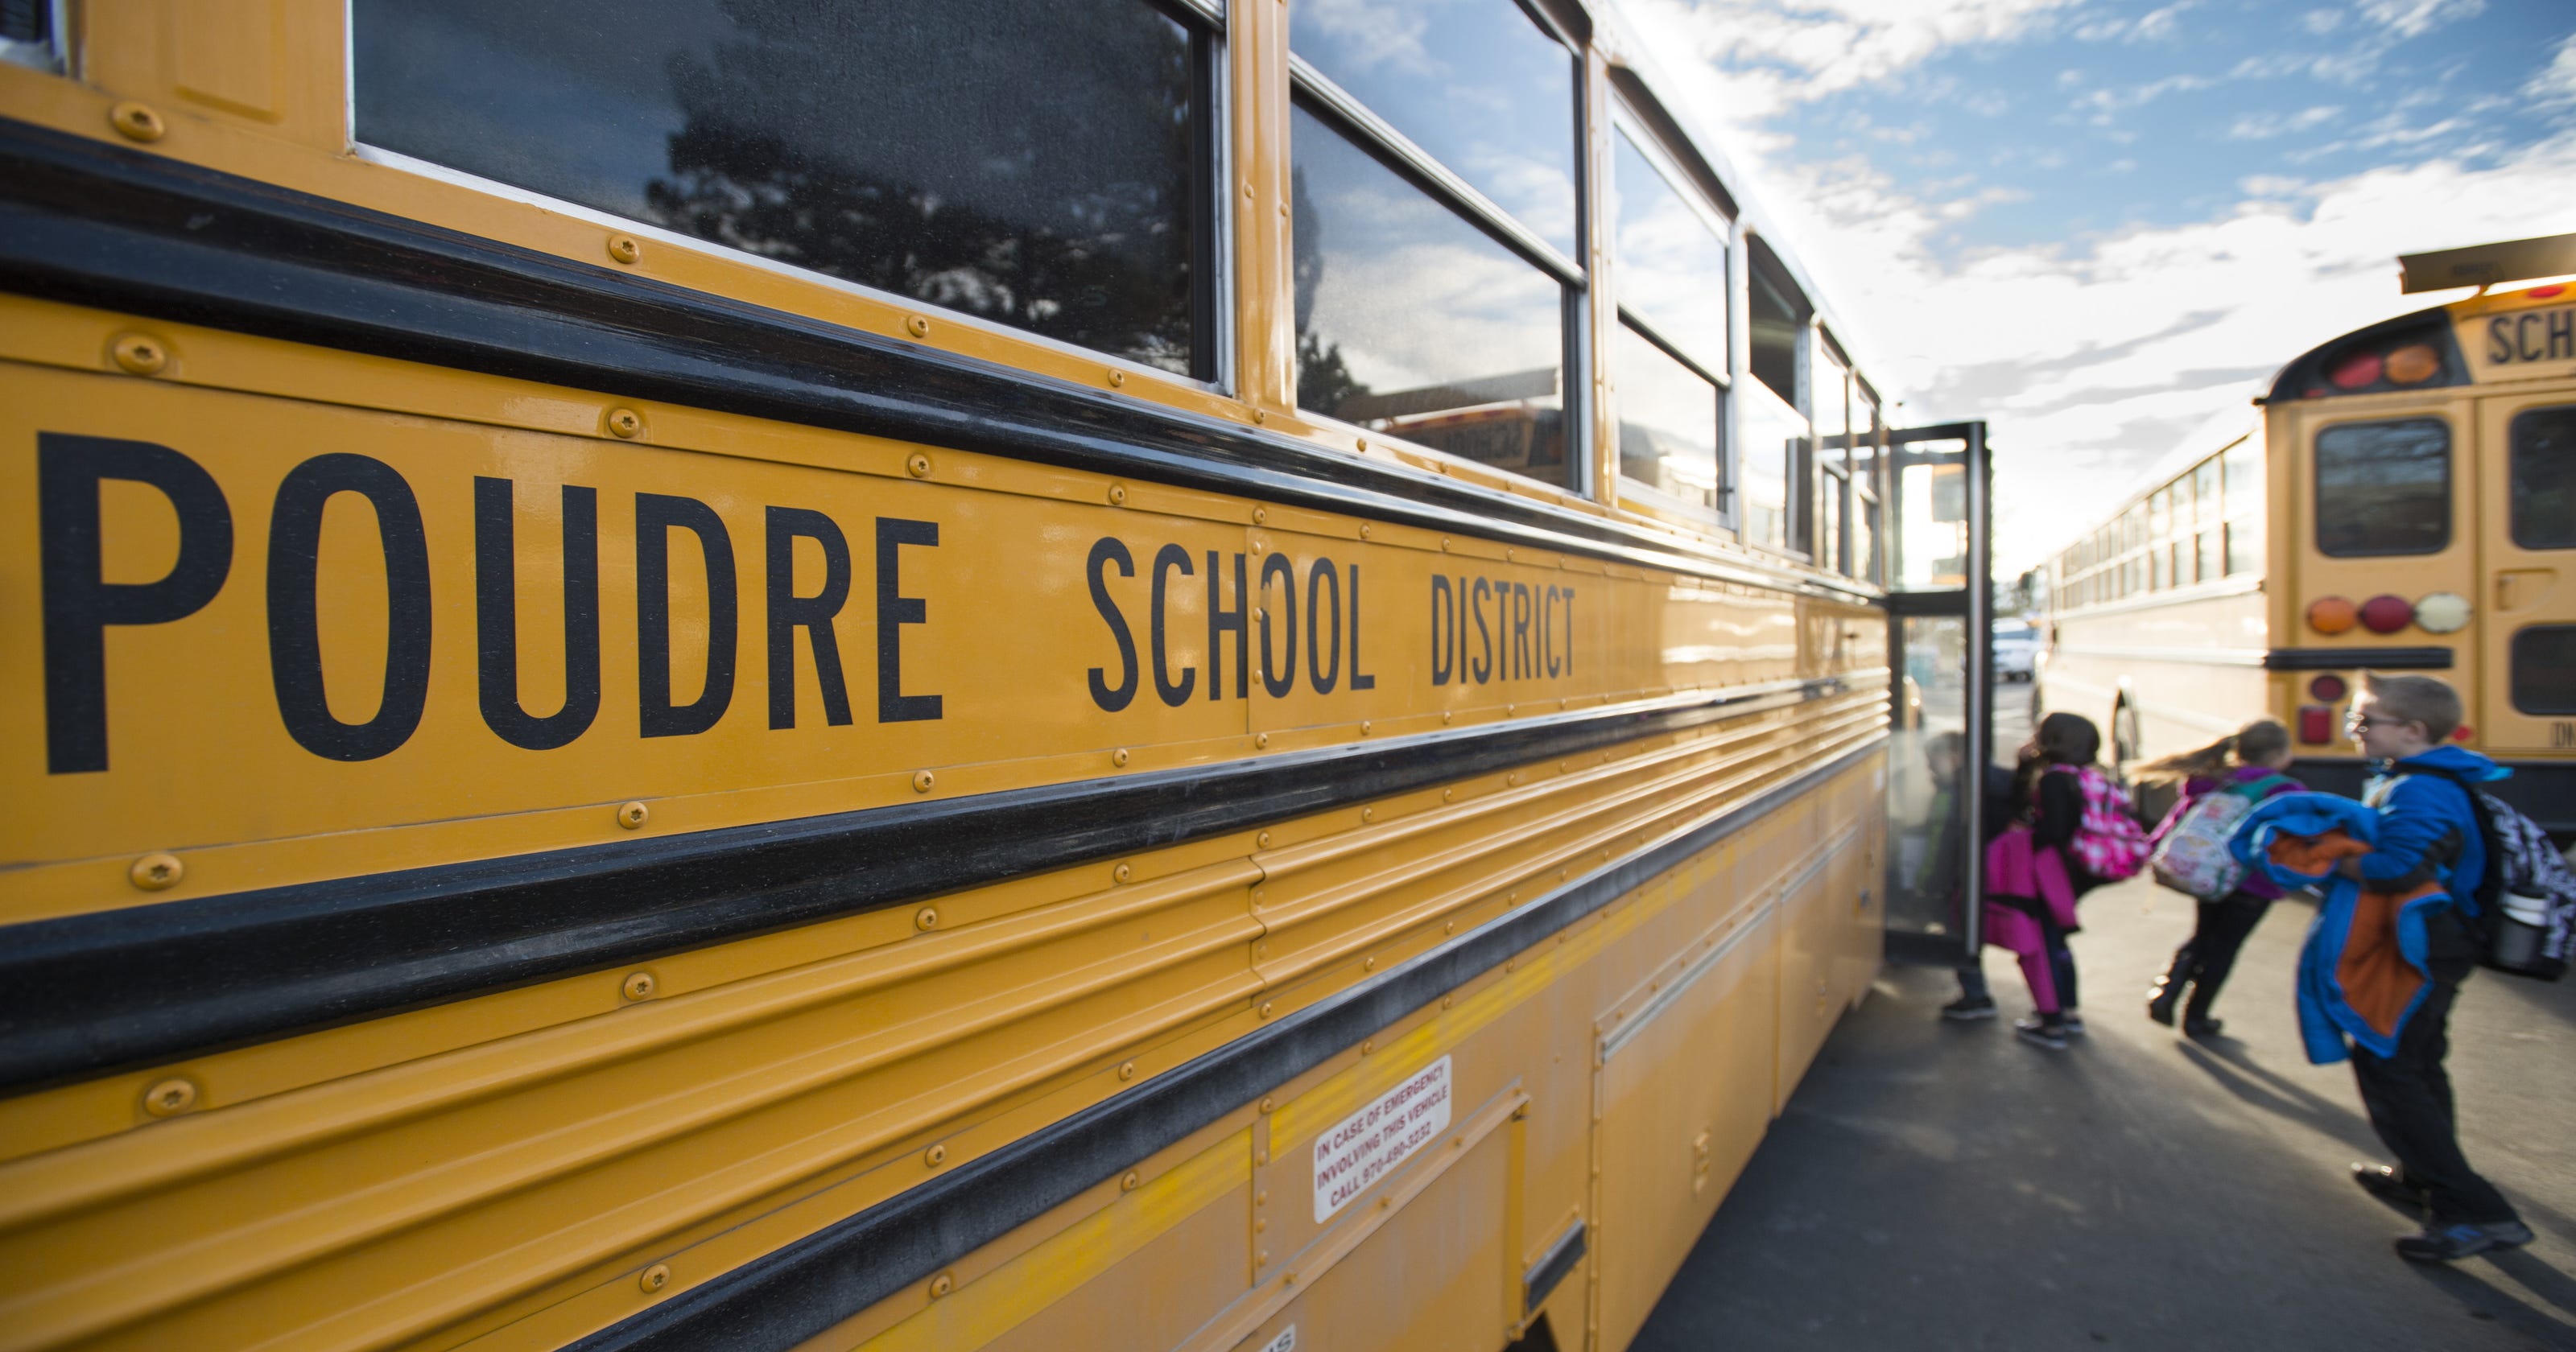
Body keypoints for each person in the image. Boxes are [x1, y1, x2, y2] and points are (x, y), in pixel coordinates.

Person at [2336, 672, 2531, 1262]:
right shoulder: (2440, 777)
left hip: (2425, 948)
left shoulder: (2420, 789)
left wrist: (2327, 857)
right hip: (2442, 944)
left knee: (2387, 1061)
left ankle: (2475, 1211)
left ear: (2413, 731)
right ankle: (2422, 1176)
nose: (2355, 732)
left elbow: (2397, 868)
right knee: (2417, 1061)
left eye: (2366, 721)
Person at [2136, 717, 2302, 1037]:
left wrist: (2153, 848)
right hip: (2255, 883)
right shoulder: (2285, 790)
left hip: (2211, 876)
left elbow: (2181, 817)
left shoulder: (2217, 781)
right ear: (2281, 754)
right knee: (2225, 948)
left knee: (2203, 936)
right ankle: (2197, 1017)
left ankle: (2167, 987)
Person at [1988, 711, 2112, 1049]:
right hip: (2075, 869)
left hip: (2048, 871)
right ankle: (2068, 1011)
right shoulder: (2087, 776)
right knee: (2058, 942)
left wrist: (2024, 839)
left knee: (2042, 943)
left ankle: (2051, 1022)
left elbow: (2055, 829)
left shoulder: (2053, 779)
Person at [1917, 732, 2019, 1021]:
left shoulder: (1954, 792)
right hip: (2002, 871)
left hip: (1964, 875)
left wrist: (1929, 881)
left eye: (1933, 761)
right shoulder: (2001, 780)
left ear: (1955, 757)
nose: (1930, 768)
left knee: (1960, 930)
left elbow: (1941, 842)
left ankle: (1975, 996)